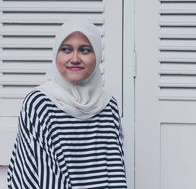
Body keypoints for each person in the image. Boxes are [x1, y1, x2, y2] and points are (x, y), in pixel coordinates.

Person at [7, 19, 127, 188]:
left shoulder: (108, 105)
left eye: (85, 50)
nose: (75, 58)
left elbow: (116, 170)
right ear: (56, 54)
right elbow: (39, 171)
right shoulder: (39, 103)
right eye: (66, 50)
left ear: (97, 56)